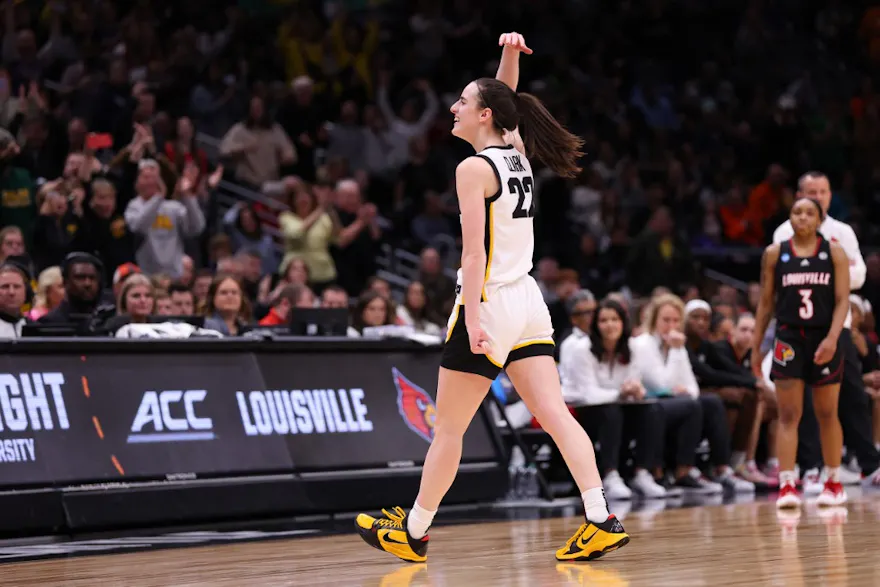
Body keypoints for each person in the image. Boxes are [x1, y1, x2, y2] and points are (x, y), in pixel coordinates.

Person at [355, 32, 629, 563]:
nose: (454, 107)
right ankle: (600, 517)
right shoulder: (518, 155)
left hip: (491, 301)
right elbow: (505, 100)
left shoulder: (472, 169)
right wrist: (508, 56)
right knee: (556, 415)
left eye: (462, 101)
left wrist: (474, 321)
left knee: (449, 429)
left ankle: (413, 532)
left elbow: (473, 256)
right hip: (529, 301)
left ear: (483, 116)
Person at [771, 172, 880, 489]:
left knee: (852, 395)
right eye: (810, 192)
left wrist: (832, 272)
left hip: (836, 326)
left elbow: (857, 275)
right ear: (797, 195)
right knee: (799, 403)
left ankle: (868, 464)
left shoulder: (841, 231)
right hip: (794, 328)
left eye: (822, 192)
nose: (817, 197)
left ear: (830, 196)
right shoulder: (782, 232)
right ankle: (810, 468)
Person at [753, 197, 851, 509]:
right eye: (797, 212)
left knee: (826, 412)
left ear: (820, 220)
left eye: (810, 213)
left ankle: (833, 482)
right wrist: (757, 346)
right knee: (788, 414)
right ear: (790, 218)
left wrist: (834, 338)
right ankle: (787, 485)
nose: (803, 218)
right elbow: (766, 303)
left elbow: (842, 301)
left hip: (824, 337)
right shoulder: (775, 254)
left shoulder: (834, 251)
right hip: (789, 338)